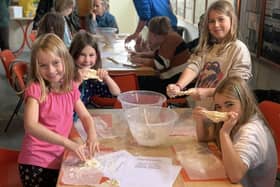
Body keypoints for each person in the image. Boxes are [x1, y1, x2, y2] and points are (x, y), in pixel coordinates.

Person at [18, 33, 99, 187]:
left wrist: (92, 134)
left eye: (56, 63)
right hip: (35, 163)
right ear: (36, 67)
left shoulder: (70, 87)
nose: (51, 70)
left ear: (65, 61)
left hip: (60, 158)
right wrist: (68, 143)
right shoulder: (36, 89)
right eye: (43, 65)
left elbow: (85, 116)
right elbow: (31, 126)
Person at [192, 76, 277, 187]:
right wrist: (200, 120)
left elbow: (235, 175)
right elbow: (204, 138)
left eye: (229, 104)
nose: (224, 111)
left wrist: (224, 133)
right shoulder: (236, 120)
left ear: (244, 101)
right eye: (218, 106)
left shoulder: (251, 132)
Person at [167, 0, 252, 107]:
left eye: (221, 19)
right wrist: (178, 86)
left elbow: (236, 87)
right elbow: (194, 66)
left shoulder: (239, 49)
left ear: (232, 21)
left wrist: (206, 92)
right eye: (211, 21)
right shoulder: (207, 47)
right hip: (200, 108)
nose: (216, 25)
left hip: (222, 112)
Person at [129, 16, 192, 95]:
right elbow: (157, 54)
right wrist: (140, 54)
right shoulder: (169, 36)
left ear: (154, 34)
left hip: (176, 84)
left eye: (149, 33)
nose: (149, 37)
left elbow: (160, 64)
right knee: (141, 79)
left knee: (140, 83)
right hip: (175, 79)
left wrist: (139, 60)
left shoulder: (171, 39)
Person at [69, 31, 120, 108]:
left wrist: (106, 77)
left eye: (91, 55)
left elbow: (116, 93)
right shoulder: (66, 76)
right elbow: (65, 100)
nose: (87, 60)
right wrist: (78, 82)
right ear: (73, 55)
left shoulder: (91, 80)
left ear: (97, 56)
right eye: (82, 55)